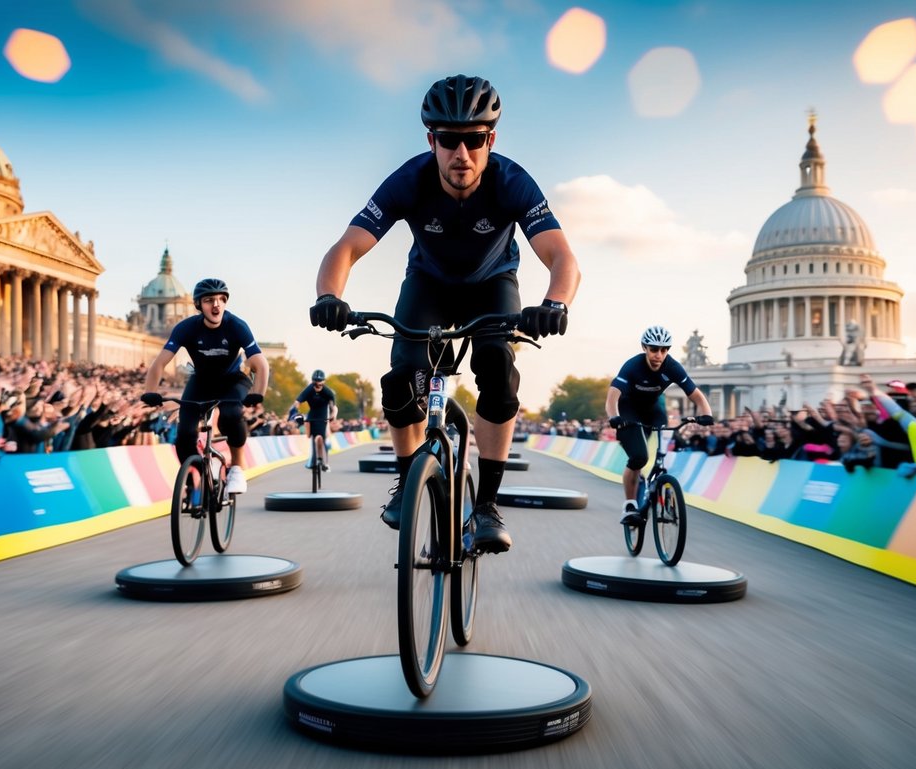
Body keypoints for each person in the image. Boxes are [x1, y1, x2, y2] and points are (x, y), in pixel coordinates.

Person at [308, 74, 580, 553]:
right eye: (449, 140)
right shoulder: (409, 180)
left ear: (490, 140)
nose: (462, 154)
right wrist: (330, 295)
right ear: (431, 140)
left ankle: (487, 506)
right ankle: (408, 480)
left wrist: (555, 303)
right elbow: (347, 246)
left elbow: (562, 257)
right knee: (400, 379)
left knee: (496, 367)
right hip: (428, 286)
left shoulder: (511, 181)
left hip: (492, 286)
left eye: (474, 141)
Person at [141, 278, 269, 494]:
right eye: (209, 300)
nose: (216, 304)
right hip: (201, 381)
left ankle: (237, 468)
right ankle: (199, 472)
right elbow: (159, 363)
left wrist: (258, 393)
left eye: (221, 299)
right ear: (199, 305)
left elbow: (261, 364)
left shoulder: (237, 326)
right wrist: (149, 392)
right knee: (184, 437)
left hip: (232, 380)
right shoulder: (186, 328)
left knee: (231, 413)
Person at [606, 326, 714, 524]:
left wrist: (706, 414)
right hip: (628, 410)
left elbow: (696, 395)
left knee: (663, 448)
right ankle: (630, 505)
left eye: (664, 350)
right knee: (639, 457)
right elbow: (612, 397)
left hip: (653, 411)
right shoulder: (632, 366)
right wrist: (614, 417)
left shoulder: (672, 366)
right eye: (654, 349)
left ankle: (658, 480)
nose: (659, 355)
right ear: (645, 348)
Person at [288, 369, 337, 472]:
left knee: (323, 438)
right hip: (312, 414)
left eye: (320, 382)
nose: (317, 385)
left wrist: (333, 416)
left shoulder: (327, 392)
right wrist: (295, 411)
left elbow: (334, 407)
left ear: (323, 382)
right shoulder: (309, 389)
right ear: (312, 381)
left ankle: (325, 462)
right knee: (310, 436)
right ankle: (312, 459)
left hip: (324, 415)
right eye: (315, 382)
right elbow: (298, 401)